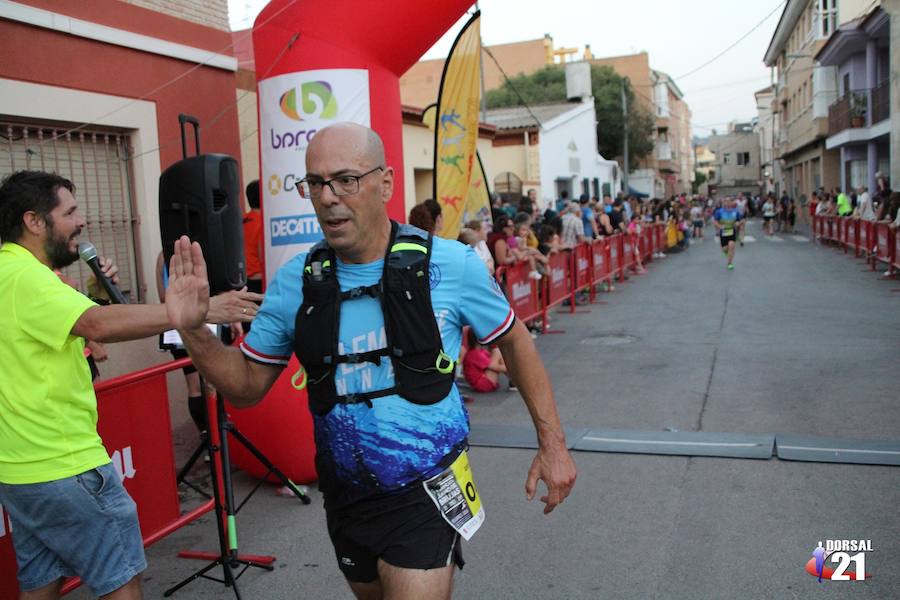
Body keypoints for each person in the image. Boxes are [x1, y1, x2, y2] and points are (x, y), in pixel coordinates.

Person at [164, 123, 577, 600]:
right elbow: (246, 385)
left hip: (425, 488)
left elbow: (516, 343)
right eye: (315, 183)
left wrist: (553, 444)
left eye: (345, 179)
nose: (328, 197)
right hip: (344, 497)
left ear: (385, 183)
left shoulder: (450, 265)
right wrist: (194, 332)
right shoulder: (296, 281)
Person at [0, 170, 258, 600]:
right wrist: (194, 311)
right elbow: (94, 323)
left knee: (41, 583)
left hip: (20, 468)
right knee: (121, 581)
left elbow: (76, 330)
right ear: (34, 221)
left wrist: (97, 300)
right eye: (70, 212)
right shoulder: (25, 278)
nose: (80, 222)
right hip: (65, 465)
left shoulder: (12, 272)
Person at [462, 328, 508, 393]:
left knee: (497, 352)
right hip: (482, 384)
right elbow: (496, 367)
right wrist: (510, 368)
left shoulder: (479, 351)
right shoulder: (475, 354)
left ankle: (513, 379)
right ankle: (513, 379)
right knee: (497, 351)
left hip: (481, 381)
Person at [242, 179, 264, 295]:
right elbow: (262, 256)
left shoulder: (241, 221)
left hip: (242, 281)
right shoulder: (263, 223)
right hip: (259, 281)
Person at [712, 196, 743, 270]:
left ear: (732, 202)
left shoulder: (735, 211)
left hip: (732, 232)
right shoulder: (719, 211)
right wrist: (719, 226)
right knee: (725, 249)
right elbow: (715, 221)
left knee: (731, 246)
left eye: (729, 201)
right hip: (723, 233)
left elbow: (739, 220)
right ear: (723, 203)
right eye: (725, 201)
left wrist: (737, 223)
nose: (727, 202)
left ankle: (730, 263)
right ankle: (727, 253)